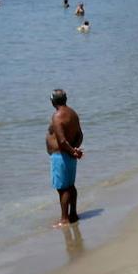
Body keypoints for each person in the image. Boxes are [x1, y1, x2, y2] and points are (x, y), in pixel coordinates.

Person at [46, 89, 84, 228]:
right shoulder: (72, 113)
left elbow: (61, 141)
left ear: (53, 101)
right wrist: (75, 149)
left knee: (63, 189)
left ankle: (64, 219)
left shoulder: (57, 116)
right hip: (68, 155)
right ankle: (73, 214)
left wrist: (72, 151)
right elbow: (80, 135)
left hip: (61, 156)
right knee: (70, 186)